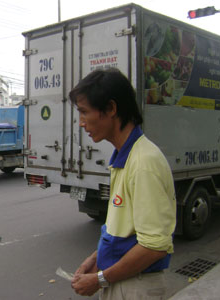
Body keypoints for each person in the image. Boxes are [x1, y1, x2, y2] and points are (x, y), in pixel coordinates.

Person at [69, 68, 176, 300]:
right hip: (121, 282)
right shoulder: (123, 158)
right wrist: (95, 259)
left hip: (136, 287)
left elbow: (154, 246)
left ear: (111, 109)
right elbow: (121, 231)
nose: (81, 123)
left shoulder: (144, 162)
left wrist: (99, 279)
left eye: (84, 112)